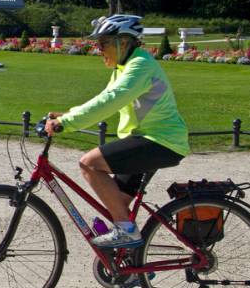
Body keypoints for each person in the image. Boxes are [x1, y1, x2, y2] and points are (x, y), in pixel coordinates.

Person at [44, 15, 189, 248]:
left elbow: (110, 101)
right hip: (148, 139)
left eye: (104, 43)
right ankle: (132, 265)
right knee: (116, 204)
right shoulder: (124, 67)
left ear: (124, 42)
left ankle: (126, 232)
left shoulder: (139, 66)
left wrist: (68, 123)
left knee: (89, 164)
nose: (99, 49)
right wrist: (66, 115)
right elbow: (103, 99)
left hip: (160, 141)